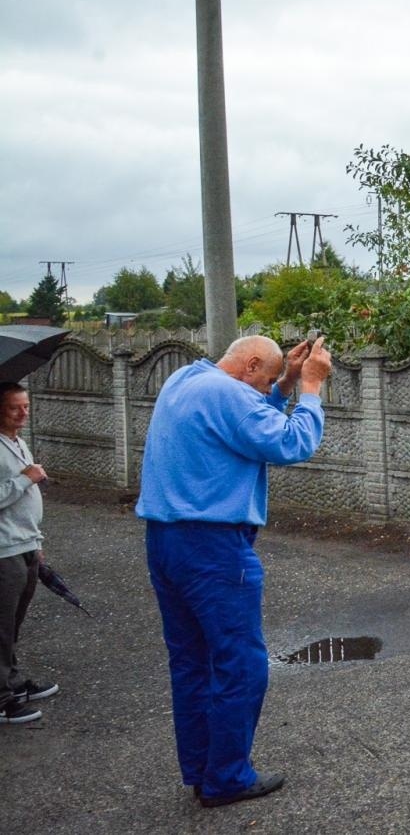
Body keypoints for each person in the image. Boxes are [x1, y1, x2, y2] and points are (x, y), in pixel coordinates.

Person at [136, 335, 330, 806]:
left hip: (166, 541)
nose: (265, 389)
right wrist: (310, 388)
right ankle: (226, 777)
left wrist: (281, 382)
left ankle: (202, 769)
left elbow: (246, 408)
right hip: (213, 548)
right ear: (249, 366)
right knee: (240, 664)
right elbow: (291, 442)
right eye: (264, 379)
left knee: (191, 663)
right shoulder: (230, 396)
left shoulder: (185, 379)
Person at [1, 383, 54, 726]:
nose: (23, 413)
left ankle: (12, 680)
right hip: (4, 550)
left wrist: (36, 541)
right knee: (1, 625)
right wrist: (25, 479)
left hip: (25, 544)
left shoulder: (17, 441)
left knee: (14, 622)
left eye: (26, 406)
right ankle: (2, 698)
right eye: (14, 408)